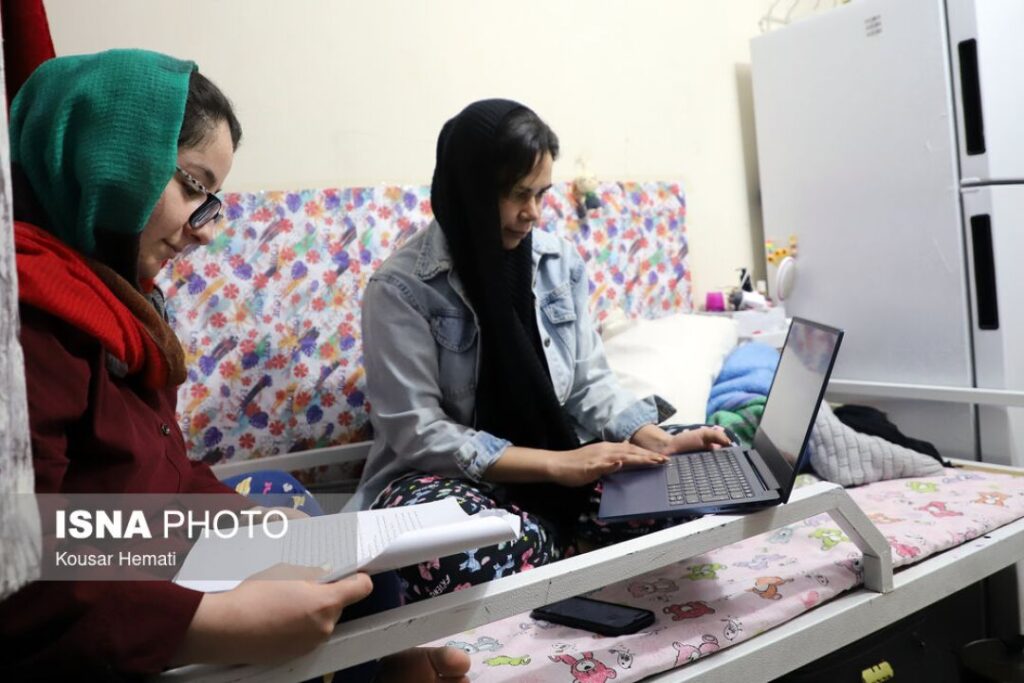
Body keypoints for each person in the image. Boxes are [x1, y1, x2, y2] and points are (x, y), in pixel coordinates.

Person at [0, 49, 469, 683]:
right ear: (109, 157)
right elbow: (22, 565)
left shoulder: (114, 307)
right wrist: (207, 624)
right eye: (193, 187)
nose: (204, 231)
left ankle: (395, 660)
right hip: (103, 614)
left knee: (352, 571)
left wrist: (239, 515)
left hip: (138, 562)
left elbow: (153, 477)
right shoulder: (27, 323)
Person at [353, 99, 731, 602]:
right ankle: (573, 544)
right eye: (517, 195)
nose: (532, 213)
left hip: (566, 459)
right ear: (470, 191)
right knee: (447, 555)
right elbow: (418, 433)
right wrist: (556, 465)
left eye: (541, 194)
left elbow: (589, 383)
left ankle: (549, 549)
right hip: (450, 481)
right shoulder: (401, 290)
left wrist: (653, 439)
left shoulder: (557, 261)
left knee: (702, 477)